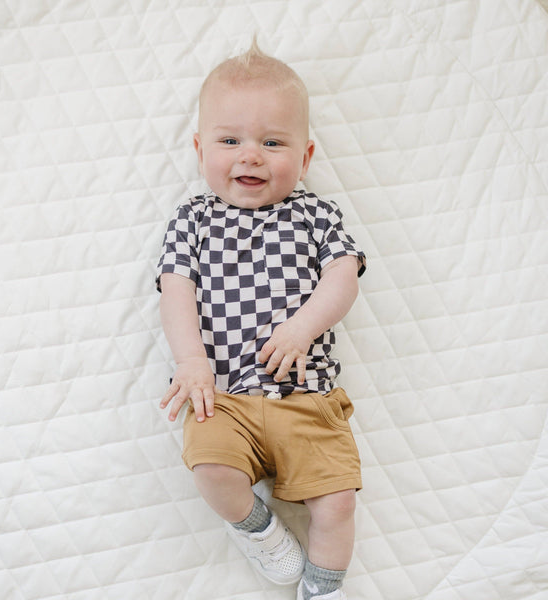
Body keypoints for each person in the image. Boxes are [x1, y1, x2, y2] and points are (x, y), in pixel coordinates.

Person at [156, 38, 366, 600]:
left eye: (272, 143)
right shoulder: (193, 219)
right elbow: (175, 290)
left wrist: (302, 328)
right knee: (210, 469)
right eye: (230, 141)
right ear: (201, 149)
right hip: (222, 396)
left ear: (305, 157)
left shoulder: (316, 213)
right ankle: (259, 527)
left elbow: (343, 277)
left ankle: (324, 587)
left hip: (307, 397)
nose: (250, 156)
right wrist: (192, 363)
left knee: (339, 499)